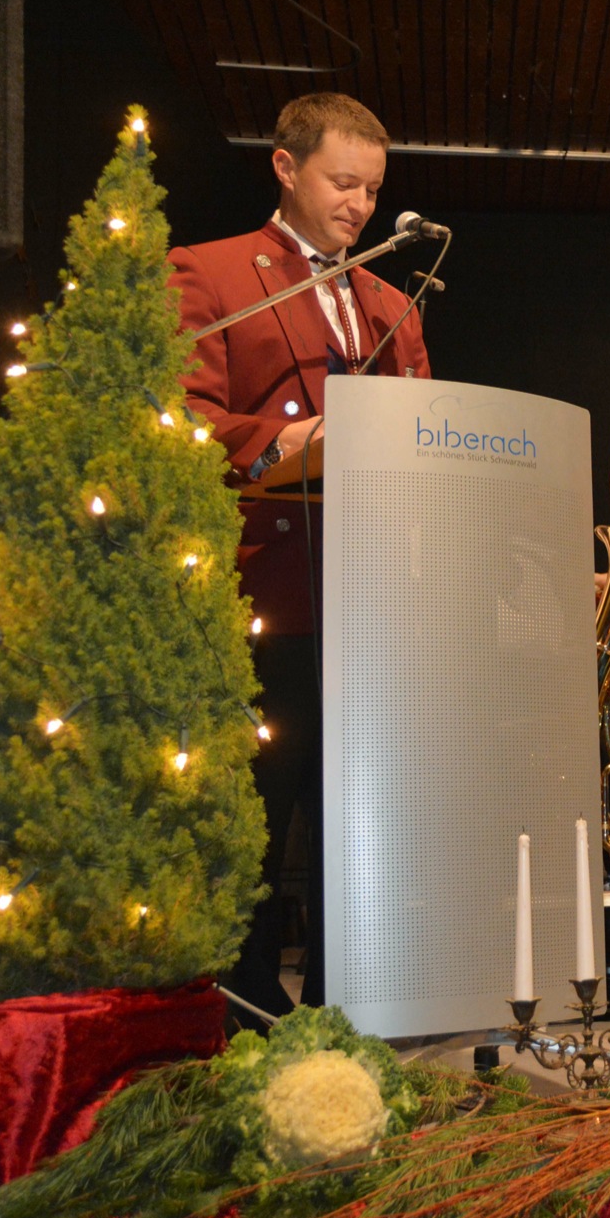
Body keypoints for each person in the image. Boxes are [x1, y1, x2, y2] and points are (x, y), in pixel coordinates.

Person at [170, 93, 433, 1018]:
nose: (360, 205)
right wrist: (279, 443)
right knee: (255, 818)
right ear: (286, 168)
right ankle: (240, 1013)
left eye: (373, 189)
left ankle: (344, 1007)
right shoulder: (208, 272)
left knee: (354, 827)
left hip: (367, 606)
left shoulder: (393, 303)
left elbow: (421, 431)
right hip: (262, 594)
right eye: (342, 182)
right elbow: (180, 418)